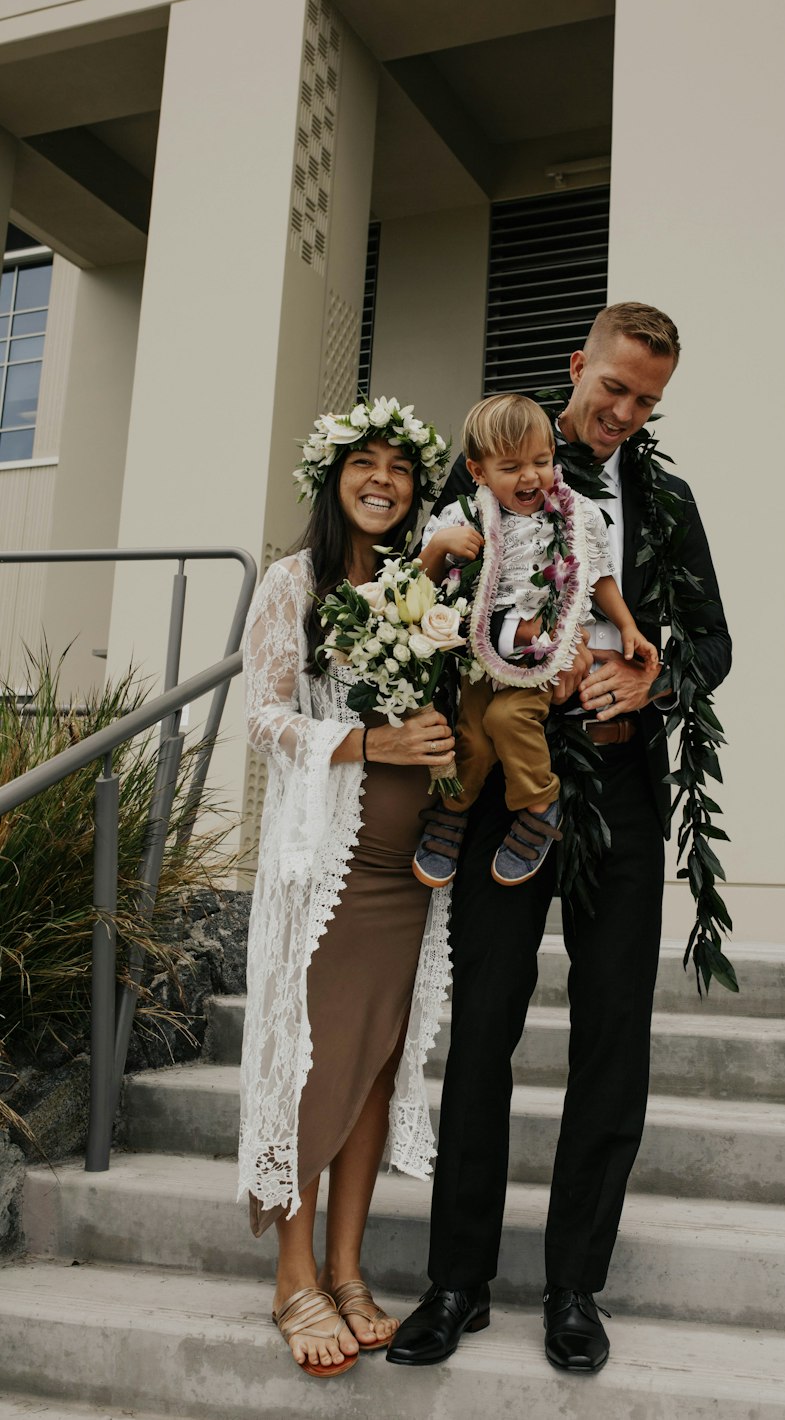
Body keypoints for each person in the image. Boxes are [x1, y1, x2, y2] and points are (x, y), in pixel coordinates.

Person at [388, 302, 732, 1373]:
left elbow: (710, 639)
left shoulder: (665, 496)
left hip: (623, 787)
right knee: (483, 1018)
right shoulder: (491, 460)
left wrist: (652, 672)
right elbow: (421, 599)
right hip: (503, 791)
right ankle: (456, 1282)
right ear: (577, 366)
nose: (624, 413)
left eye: (646, 401)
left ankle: (576, 1286)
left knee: (611, 1031)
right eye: (612, 389)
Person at [239, 400, 457, 1379]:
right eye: (363, 463)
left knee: (374, 1063)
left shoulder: (425, 586)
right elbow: (266, 718)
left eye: (399, 468)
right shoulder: (294, 583)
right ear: (332, 480)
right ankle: (293, 1275)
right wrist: (370, 742)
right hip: (328, 866)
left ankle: (347, 1264)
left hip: (411, 874)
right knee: (313, 1061)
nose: (383, 480)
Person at [412, 392, 658, 889]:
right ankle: (454, 811)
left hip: (545, 652)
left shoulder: (574, 513)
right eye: (512, 466)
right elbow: (416, 587)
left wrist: (628, 626)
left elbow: (598, 575)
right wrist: (439, 546)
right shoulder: (464, 515)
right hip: (480, 656)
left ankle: (541, 807)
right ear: (478, 472)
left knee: (509, 718)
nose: (530, 477)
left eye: (541, 462)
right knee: (474, 737)